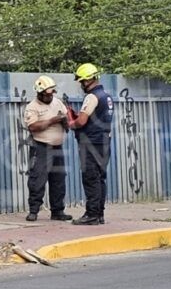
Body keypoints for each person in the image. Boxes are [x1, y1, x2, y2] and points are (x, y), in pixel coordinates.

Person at [68, 63, 113, 225]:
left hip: (91, 143)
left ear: (88, 80)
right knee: (100, 178)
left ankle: (92, 214)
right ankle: (99, 214)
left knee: (91, 178)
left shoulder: (92, 97)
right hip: (104, 142)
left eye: (82, 81)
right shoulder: (106, 96)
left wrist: (71, 122)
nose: (81, 85)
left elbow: (81, 121)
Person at [23, 76, 72, 222]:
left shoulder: (57, 102)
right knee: (37, 179)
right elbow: (32, 127)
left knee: (59, 179)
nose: (50, 96)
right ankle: (33, 210)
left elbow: (68, 119)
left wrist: (66, 121)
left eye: (52, 94)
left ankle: (57, 211)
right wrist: (52, 120)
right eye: (47, 94)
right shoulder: (32, 107)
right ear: (40, 93)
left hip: (57, 147)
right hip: (41, 147)